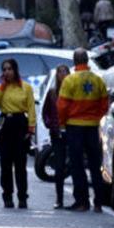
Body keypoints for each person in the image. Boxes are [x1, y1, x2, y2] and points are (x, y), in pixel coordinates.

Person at [57, 49, 109, 212]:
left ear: (74, 61)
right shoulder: (97, 80)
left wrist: (63, 124)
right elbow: (104, 105)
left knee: (77, 165)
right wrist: (95, 118)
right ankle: (99, 202)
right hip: (92, 128)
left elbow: (62, 106)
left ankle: (82, 201)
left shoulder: (69, 80)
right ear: (87, 61)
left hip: (75, 127)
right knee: (95, 165)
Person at [0, 58, 36, 208]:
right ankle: (7, 195)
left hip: (20, 123)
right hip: (5, 124)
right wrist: (2, 87)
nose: (7, 72)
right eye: (4, 69)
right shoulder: (1, 87)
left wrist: (31, 127)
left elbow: (31, 108)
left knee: (20, 164)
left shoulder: (26, 87)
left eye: (9, 69)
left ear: (15, 70)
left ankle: (22, 196)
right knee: (5, 163)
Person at [42, 64, 71, 209]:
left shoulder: (74, 92)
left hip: (72, 132)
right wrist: (50, 124)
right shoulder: (52, 93)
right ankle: (59, 199)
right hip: (57, 133)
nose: (62, 74)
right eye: (60, 72)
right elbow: (45, 112)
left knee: (74, 164)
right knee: (59, 167)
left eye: (65, 72)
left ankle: (80, 199)